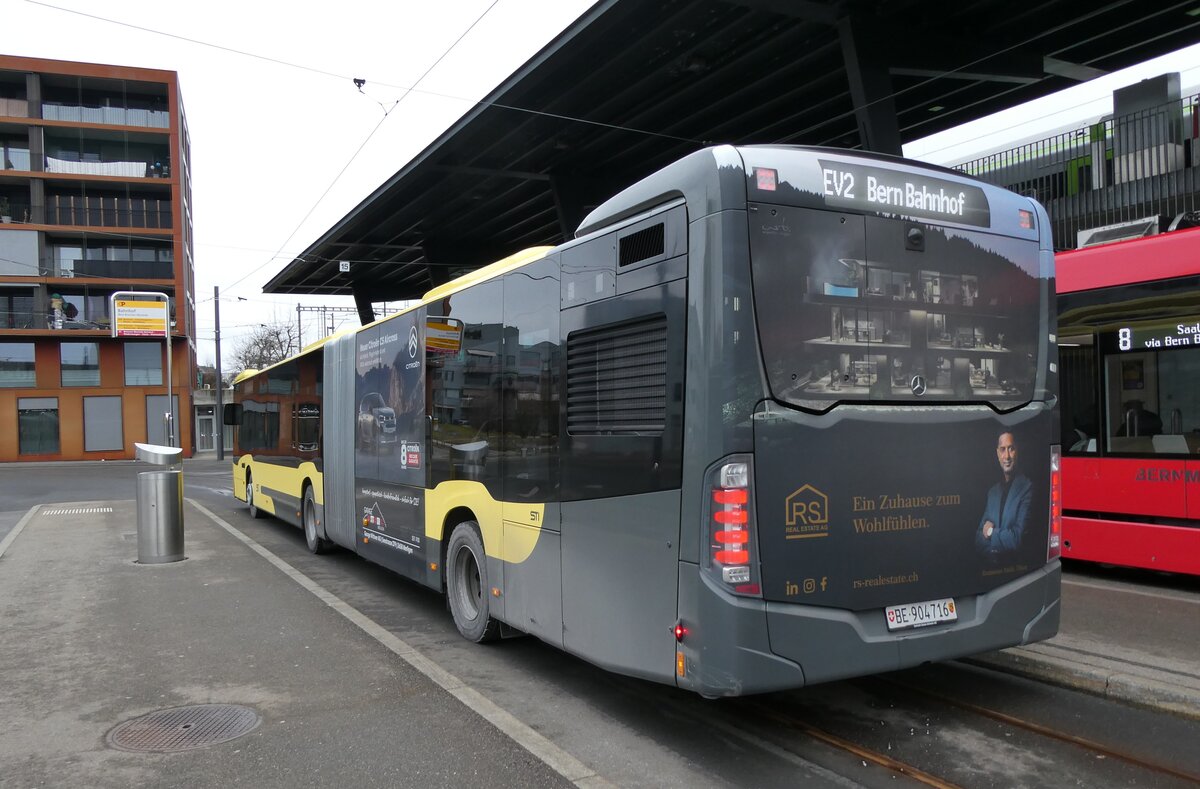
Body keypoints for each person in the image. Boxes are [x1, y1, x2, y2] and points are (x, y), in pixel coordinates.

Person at [975, 431, 1032, 563]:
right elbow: (978, 539)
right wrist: (999, 545)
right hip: (992, 567)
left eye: (1011, 449)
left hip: (1016, 569)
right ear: (997, 454)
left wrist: (990, 533)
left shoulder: (1027, 488)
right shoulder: (992, 493)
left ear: (1017, 451)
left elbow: (1017, 539)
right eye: (1002, 450)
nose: (1007, 456)